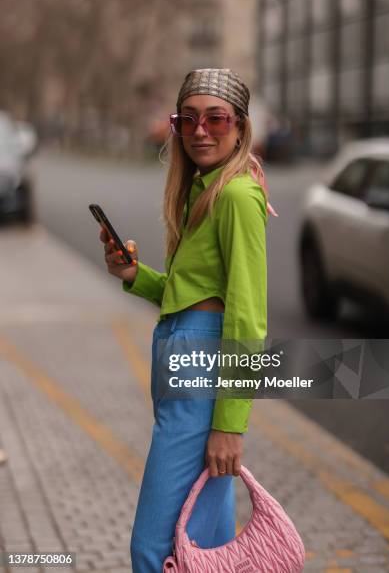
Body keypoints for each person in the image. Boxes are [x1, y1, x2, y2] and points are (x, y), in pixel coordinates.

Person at [100, 68, 276, 572]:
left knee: (154, 550)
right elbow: (193, 298)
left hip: (204, 374)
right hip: (186, 359)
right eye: (189, 119)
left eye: (216, 119)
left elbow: (245, 317)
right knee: (205, 549)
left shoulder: (238, 197)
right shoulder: (204, 190)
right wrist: (136, 276)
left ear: (241, 127)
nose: (201, 131)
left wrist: (230, 425)